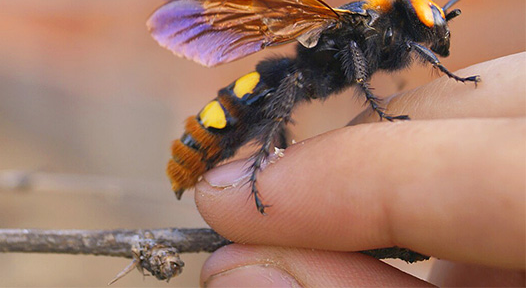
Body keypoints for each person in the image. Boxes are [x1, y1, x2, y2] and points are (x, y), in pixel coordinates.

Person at [194, 52, 525, 287]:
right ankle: (256, 170)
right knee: (291, 82)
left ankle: (258, 169)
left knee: (291, 85)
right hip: (241, 103)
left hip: (270, 87)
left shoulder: (374, 43)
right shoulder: (357, 38)